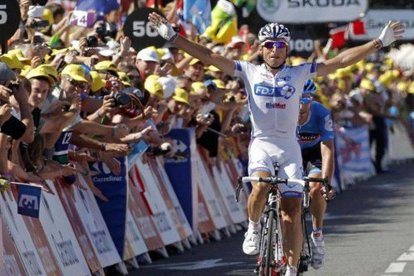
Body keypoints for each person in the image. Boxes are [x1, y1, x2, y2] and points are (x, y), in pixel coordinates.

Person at [148, 13, 404, 276]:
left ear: (287, 48)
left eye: (280, 45)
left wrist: (377, 43)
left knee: (292, 210)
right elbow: (210, 57)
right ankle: (253, 226)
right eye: (269, 44)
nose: (274, 49)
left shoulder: (300, 72)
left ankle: (291, 269)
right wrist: (174, 37)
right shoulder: (248, 71)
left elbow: (338, 62)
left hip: (289, 147)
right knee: (260, 184)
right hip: (262, 144)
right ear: (261, 48)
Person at [297, 79, 335, 269]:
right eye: (298, 98)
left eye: (306, 99)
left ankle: (317, 234)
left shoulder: (321, 113)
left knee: (316, 188)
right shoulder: (280, 112)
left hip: (314, 154)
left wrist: (326, 182)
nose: (301, 104)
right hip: (290, 153)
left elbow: (327, 149)